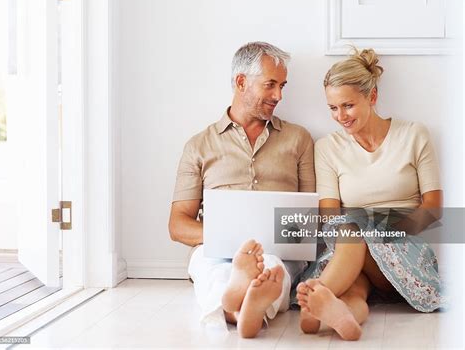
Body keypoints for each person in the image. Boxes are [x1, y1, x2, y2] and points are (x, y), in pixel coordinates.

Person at [295, 47, 444, 341]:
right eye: (333, 108)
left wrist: (382, 234)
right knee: (353, 286)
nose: (340, 116)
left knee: (354, 234)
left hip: (403, 247)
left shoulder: (414, 134)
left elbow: (433, 207)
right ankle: (342, 314)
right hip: (351, 249)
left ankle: (314, 300)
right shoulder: (327, 148)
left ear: (372, 97)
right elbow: (329, 216)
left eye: (347, 105)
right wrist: (361, 232)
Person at [168, 42, 315, 338]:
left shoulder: (298, 139)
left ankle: (236, 307)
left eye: (282, 86)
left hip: (279, 248)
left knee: (272, 267)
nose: (279, 95)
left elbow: (310, 217)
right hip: (215, 250)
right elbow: (178, 225)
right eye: (270, 85)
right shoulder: (199, 146)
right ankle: (243, 307)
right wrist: (230, 241)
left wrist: (274, 239)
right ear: (241, 82)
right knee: (211, 267)